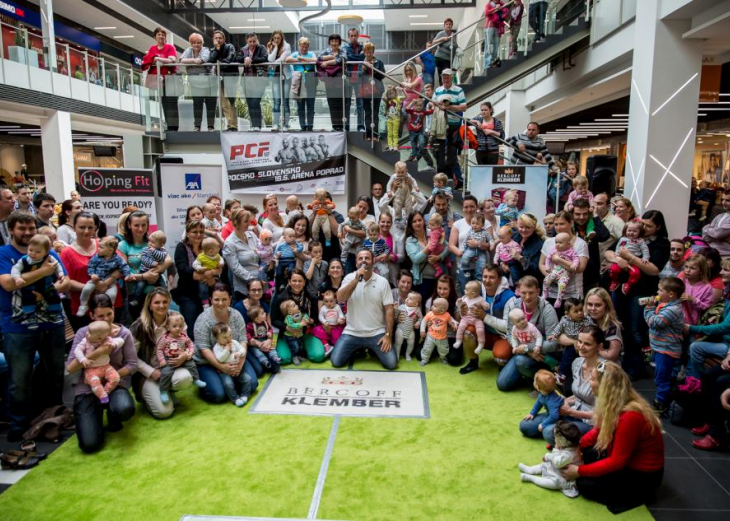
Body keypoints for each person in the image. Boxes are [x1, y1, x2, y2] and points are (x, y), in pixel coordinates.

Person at [0, 212, 69, 442]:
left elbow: (65, 281)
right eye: (22, 228)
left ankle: (55, 417)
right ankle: (19, 423)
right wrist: (44, 272)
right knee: (19, 378)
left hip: (52, 321)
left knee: (56, 374)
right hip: (17, 326)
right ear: (11, 229)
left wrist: (47, 289)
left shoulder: (48, 252)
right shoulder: (4, 254)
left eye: (31, 228)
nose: (28, 233)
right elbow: (9, 284)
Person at [561, 361, 664, 514]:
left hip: (643, 477)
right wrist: (574, 447)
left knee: (584, 485)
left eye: (593, 379)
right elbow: (597, 432)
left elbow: (617, 462)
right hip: (627, 462)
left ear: (605, 387)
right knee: (587, 453)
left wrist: (579, 471)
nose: (589, 381)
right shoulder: (614, 403)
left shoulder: (630, 417)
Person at [66, 295, 136, 453]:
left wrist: (111, 377)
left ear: (113, 311)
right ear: (91, 316)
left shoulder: (123, 333)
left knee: (124, 408)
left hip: (113, 383)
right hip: (88, 386)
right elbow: (70, 368)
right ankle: (95, 411)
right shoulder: (83, 334)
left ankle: (112, 412)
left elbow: (132, 365)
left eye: (109, 314)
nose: (106, 320)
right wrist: (96, 353)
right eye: (100, 316)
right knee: (90, 445)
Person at [605, 210, 670, 379]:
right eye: (643, 223)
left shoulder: (661, 243)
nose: (644, 228)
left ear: (658, 227)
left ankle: (635, 366)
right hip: (620, 287)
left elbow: (654, 269)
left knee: (636, 329)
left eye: (649, 226)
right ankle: (620, 362)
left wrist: (630, 258)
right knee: (619, 324)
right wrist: (617, 260)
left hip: (642, 291)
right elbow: (609, 252)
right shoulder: (629, 236)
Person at [130, 288, 193, 419]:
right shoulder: (139, 326)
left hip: (170, 367)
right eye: (157, 302)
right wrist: (151, 372)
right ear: (149, 305)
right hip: (148, 373)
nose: (161, 305)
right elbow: (131, 358)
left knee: (185, 378)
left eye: (165, 302)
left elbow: (187, 343)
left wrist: (184, 355)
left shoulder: (176, 318)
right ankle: (150, 398)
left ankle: (168, 390)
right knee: (165, 412)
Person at [330, 249, 396, 370]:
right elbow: (340, 298)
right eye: (360, 258)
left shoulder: (383, 282)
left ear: (373, 262)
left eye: (367, 258)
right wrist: (356, 279)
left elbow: (389, 310)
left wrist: (388, 335)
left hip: (376, 333)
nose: (363, 261)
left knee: (391, 363)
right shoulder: (349, 278)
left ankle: (369, 349)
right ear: (356, 263)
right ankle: (359, 349)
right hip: (352, 332)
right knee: (336, 361)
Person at [193, 283, 259, 402]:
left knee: (253, 384)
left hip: (233, 357)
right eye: (216, 299)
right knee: (218, 395)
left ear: (230, 299)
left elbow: (243, 340)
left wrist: (239, 366)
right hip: (208, 362)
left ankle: (229, 381)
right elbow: (204, 349)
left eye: (224, 299)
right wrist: (222, 367)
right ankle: (212, 381)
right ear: (210, 299)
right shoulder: (203, 320)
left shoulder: (236, 315)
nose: (220, 303)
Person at [495, 276, 558, 392]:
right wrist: (527, 352)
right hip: (523, 352)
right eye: (523, 293)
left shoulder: (547, 310)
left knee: (520, 361)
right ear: (518, 291)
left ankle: (543, 381)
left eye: (531, 293)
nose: (527, 297)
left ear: (538, 291)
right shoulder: (513, 306)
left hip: (543, 354)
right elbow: (509, 334)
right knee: (502, 384)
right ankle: (530, 377)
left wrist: (526, 348)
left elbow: (553, 344)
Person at [460, 264, 514, 374]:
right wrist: (462, 312)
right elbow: (463, 312)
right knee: (466, 331)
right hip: (484, 333)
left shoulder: (510, 297)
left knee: (500, 357)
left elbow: (509, 327)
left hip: (503, 336)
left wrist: (485, 316)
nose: (487, 280)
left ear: (499, 280)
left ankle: (507, 359)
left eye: (492, 277)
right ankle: (473, 362)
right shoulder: (477, 290)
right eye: (485, 276)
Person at [643, 276, 685, 413]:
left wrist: (648, 308)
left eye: (660, 290)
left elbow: (655, 323)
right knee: (663, 376)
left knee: (662, 379)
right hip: (660, 348)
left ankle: (660, 404)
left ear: (671, 294)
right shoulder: (668, 305)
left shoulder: (673, 309)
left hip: (666, 350)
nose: (657, 292)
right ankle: (665, 398)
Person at [270, 269, 325, 364]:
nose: (297, 283)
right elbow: (274, 320)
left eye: (300, 281)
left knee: (318, 356)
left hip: (305, 333)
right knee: (284, 358)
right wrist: (287, 327)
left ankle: (301, 348)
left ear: (304, 282)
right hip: (287, 335)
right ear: (289, 282)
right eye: (294, 280)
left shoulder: (310, 297)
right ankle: (295, 350)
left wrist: (311, 321)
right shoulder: (280, 298)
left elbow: (315, 317)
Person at [519, 420, 581, 498]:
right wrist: (556, 449)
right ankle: (530, 469)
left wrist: (549, 455)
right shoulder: (569, 447)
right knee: (544, 465)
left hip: (563, 476)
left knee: (554, 483)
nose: (554, 440)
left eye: (556, 439)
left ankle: (531, 478)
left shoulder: (568, 455)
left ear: (563, 442)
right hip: (559, 468)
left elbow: (557, 462)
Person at [406, 211, 449, 306]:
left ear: (424, 221)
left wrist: (439, 257)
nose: (418, 223)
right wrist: (428, 247)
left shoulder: (433, 232)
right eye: (414, 221)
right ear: (411, 224)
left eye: (420, 220)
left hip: (439, 280)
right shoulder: (410, 240)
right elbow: (415, 259)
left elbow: (447, 246)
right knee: (423, 309)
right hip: (422, 281)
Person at [433, 69, 467, 187]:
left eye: (447, 77)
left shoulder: (458, 90)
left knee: (452, 157)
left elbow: (463, 107)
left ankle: (455, 180)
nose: (445, 80)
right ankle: (442, 181)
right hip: (440, 126)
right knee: (440, 156)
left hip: (454, 126)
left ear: (452, 77)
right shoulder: (438, 90)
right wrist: (436, 105)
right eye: (443, 77)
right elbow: (432, 104)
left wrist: (449, 107)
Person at [141, 27, 179, 131]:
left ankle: (174, 127)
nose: (161, 36)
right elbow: (148, 61)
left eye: (163, 34)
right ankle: (168, 125)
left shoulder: (170, 47)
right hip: (158, 81)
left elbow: (172, 60)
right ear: (155, 37)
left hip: (169, 80)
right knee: (164, 103)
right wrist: (162, 60)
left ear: (165, 37)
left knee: (172, 103)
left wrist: (157, 58)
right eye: (158, 34)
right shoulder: (152, 48)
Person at [572, 198, 610, 290]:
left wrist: (595, 216)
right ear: (572, 213)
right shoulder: (567, 226)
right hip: (571, 274)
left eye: (585, 214)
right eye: (577, 214)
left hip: (590, 276)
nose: (581, 217)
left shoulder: (592, 226)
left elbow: (604, 235)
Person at [222, 209, 260, 300]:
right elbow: (235, 267)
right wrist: (253, 279)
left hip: (259, 284)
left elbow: (262, 251)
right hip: (244, 287)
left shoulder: (251, 235)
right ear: (236, 222)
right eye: (245, 221)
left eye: (249, 221)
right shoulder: (229, 242)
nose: (249, 223)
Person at [179, 32, 213, 132]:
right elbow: (181, 60)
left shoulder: (205, 50)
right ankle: (197, 126)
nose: (196, 45)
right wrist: (194, 61)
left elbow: (203, 59)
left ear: (202, 43)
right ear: (191, 43)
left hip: (208, 81)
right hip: (195, 82)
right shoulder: (188, 50)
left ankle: (210, 126)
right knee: (197, 104)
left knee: (210, 104)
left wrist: (191, 63)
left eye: (199, 42)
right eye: (194, 43)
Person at [235, 32, 268, 130]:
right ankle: (254, 125)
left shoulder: (261, 48)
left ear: (257, 40)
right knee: (250, 104)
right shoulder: (243, 50)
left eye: (254, 41)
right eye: (250, 41)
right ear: (247, 41)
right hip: (246, 82)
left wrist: (251, 60)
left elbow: (264, 58)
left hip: (259, 81)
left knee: (255, 103)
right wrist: (245, 58)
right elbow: (238, 58)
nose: (253, 43)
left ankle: (257, 126)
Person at [608, 220, 651, 294]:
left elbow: (645, 250)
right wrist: (617, 253)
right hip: (621, 260)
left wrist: (645, 258)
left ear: (639, 232)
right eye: (629, 230)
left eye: (635, 231)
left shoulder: (640, 241)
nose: (631, 233)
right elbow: (618, 246)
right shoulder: (622, 239)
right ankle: (615, 281)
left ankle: (628, 284)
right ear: (625, 230)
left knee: (636, 273)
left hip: (633, 262)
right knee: (613, 269)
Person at [209, 30, 238, 131]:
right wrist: (216, 50)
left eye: (220, 38)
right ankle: (230, 124)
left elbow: (230, 59)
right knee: (223, 103)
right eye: (216, 38)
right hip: (220, 79)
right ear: (213, 39)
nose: (218, 40)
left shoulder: (230, 47)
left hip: (230, 77)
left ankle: (233, 125)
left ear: (224, 39)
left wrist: (220, 64)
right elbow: (211, 61)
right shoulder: (213, 50)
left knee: (231, 101)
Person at [286, 37, 317, 131]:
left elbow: (316, 60)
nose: (304, 48)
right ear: (299, 46)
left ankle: (310, 126)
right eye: (302, 46)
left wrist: (302, 59)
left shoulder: (311, 54)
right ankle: (303, 126)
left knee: (310, 106)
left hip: (310, 82)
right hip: (298, 82)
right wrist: (299, 59)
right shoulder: (295, 54)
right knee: (300, 107)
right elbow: (287, 60)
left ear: (308, 46)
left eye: (306, 46)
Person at [318, 34, 347, 131]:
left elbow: (342, 59)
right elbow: (319, 58)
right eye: (332, 41)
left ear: (339, 42)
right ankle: (334, 126)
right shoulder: (326, 51)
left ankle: (341, 126)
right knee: (332, 103)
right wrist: (330, 57)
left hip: (340, 81)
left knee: (340, 104)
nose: (334, 43)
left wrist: (327, 62)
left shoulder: (342, 50)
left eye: (336, 41)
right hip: (329, 81)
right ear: (329, 42)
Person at [508, 213, 545, 282]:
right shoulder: (515, 236)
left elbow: (536, 269)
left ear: (534, 227)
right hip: (511, 280)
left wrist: (520, 258)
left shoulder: (539, 244)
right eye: (521, 227)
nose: (524, 230)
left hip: (529, 284)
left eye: (527, 227)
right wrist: (502, 263)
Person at [267, 30, 291, 130]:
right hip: (275, 76)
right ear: (272, 39)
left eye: (278, 38)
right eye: (275, 38)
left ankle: (285, 124)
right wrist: (276, 48)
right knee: (276, 101)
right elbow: (270, 59)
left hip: (286, 76)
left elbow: (282, 59)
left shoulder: (287, 46)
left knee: (285, 101)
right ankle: (276, 124)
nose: (277, 40)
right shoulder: (271, 46)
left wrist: (273, 63)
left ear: (282, 38)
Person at [342, 27, 365, 132]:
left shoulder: (363, 47)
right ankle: (346, 126)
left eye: (355, 35)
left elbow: (363, 57)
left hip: (359, 78)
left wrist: (353, 57)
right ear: (348, 37)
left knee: (360, 103)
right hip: (348, 78)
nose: (353, 37)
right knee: (347, 103)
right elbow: (349, 58)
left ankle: (360, 126)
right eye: (351, 36)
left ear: (358, 36)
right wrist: (358, 57)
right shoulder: (345, 48)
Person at [593, 193, 624, 259]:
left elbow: (626, 243)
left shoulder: (616, 222)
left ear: (608, 206)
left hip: (605, 263)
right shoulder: (589, 219)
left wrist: (615, 260)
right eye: (594, 203)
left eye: (599, 204)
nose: (595, 206)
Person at [702, 191, 730, 258]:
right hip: (712, 253)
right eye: (722, 199)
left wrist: (708, 230)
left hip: (726, 256)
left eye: (728, 200)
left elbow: (717, 234)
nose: (723, 203)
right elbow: (705, 237)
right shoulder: (720, 216)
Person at [484, 1, 508, 68]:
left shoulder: (501, 4)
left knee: (496, 45)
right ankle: (487, 63)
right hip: (489, 26)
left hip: (497, 26)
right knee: (488, 45)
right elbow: (486, 12)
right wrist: (495, 8)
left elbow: (505, 10)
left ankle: (493, 61)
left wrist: (501, 6)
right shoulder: (489, 4)